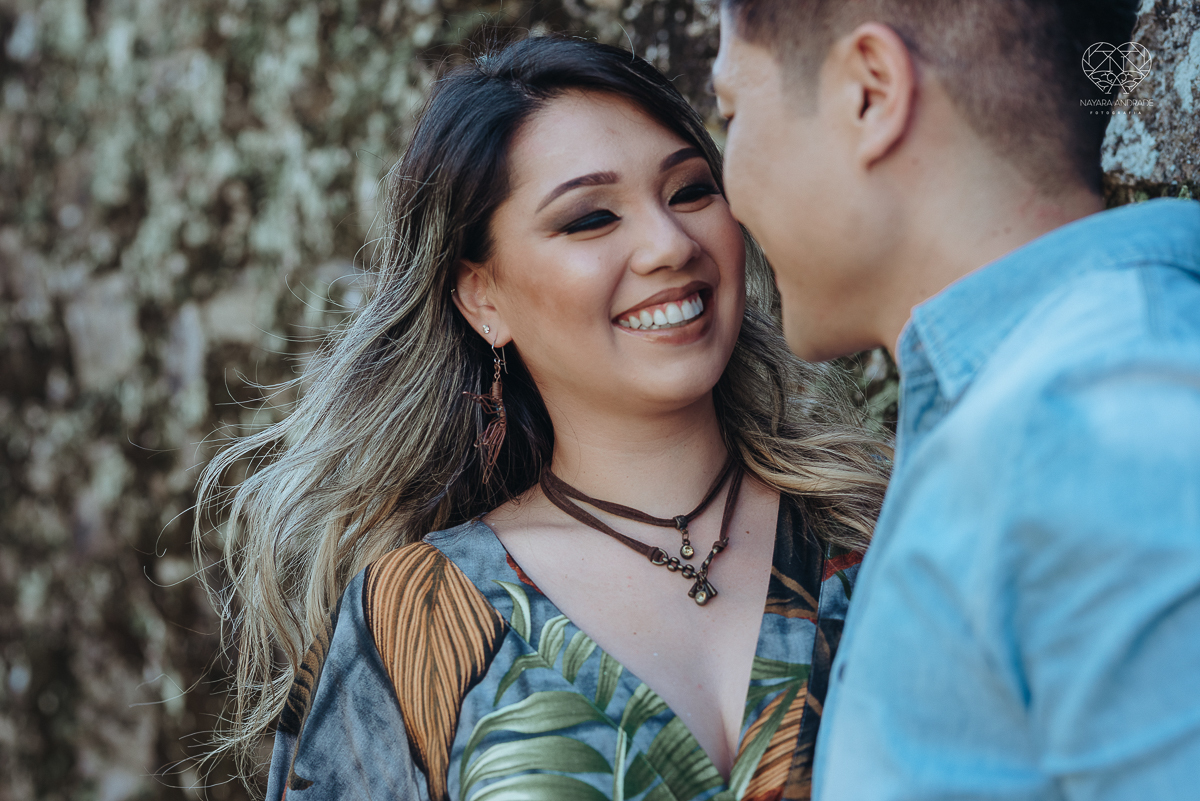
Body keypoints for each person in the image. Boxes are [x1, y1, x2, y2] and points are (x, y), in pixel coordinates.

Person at [194, 36, 891, 801]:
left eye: (691, 190)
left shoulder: (882, 528)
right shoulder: (420, 613)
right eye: (591, 218)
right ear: (482, 296)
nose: (669, 244)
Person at [711, 1, 1200, 799]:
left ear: (869, 93)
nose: (728, 202)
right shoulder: (1039, 410)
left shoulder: (1095, 424)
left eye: (732, 112)